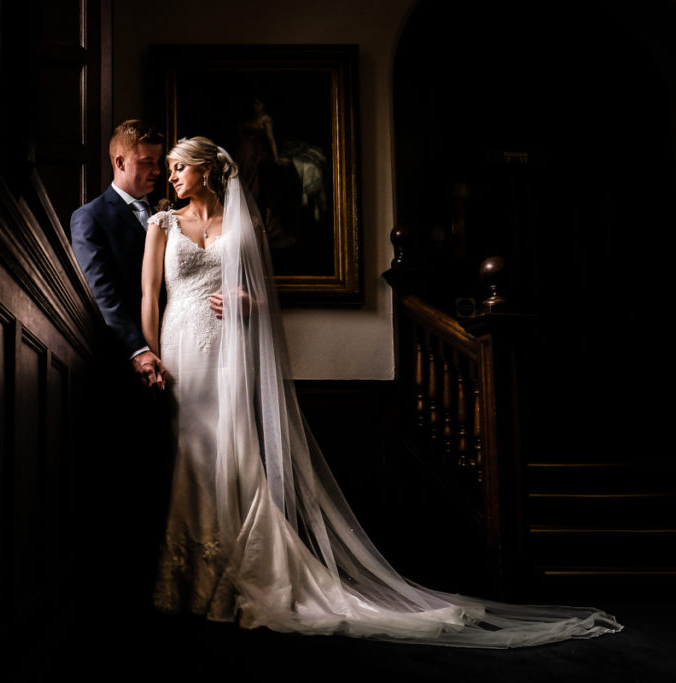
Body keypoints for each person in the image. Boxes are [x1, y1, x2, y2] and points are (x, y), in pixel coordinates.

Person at [139, 136, 622, 647]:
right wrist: (153, 358)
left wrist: (245, 299)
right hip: (178, 350)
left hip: (228, 352)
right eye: (169, 169)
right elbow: (150, 295)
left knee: (234, 455)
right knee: (190, 454)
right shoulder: (162, 224)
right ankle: (188, 580)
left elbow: (262, 295)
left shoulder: (243, 224)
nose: (171, 178)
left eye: (178, 169)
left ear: (205, 172)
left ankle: (232, 578)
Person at [69, 119, 171, 614]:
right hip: (125, 369)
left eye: (159, 161)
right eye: (147, 163)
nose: (156, 171)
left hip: (182, 355)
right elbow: (105, 292)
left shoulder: (165, 214)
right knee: (134, 481)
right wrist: (138, 350)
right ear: (119, 162)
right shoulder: (90, 217)